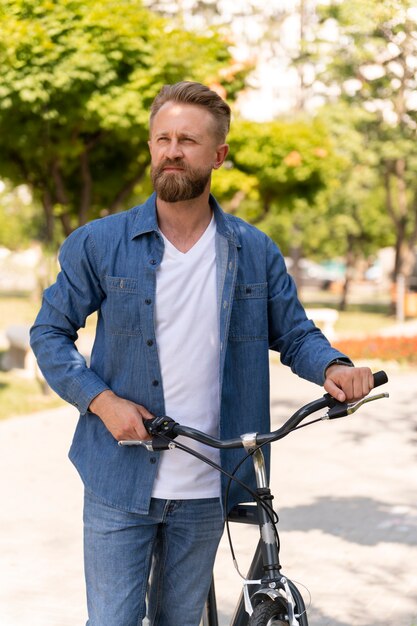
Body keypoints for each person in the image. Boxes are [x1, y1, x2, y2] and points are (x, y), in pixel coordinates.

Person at [30, 81, 374, 626]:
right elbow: (49, 333)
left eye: (187, 141)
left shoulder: (253, 249)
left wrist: (334, 366)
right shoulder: (99, 242)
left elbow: (295, 333)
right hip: (119, 479)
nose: (171, 151)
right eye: (161, 138)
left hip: (208, 484)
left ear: (218, 155)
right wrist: (101, 402)